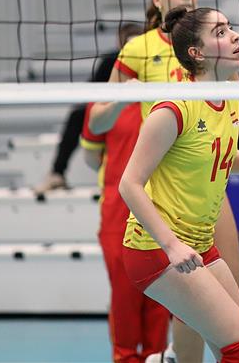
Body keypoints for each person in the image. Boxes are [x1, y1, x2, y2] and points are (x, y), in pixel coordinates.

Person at [88, 0, 239, 363]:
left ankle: (173, 356)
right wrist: (171, 245)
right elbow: (121, 170)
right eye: (222, 31)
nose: (235, 36)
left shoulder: (225, 90)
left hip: (200, 205)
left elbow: (222, 148)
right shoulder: (162, 85)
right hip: (161, 213)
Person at [79, 23, 167, 363]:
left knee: (162, 293)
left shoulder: (167, 97)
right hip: (117, 211)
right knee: (125, 294)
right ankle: (126, 357)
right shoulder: (104, 103)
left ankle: (157, 356)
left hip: (161, 207)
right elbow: (91, 155)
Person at [38, 21, 143, 195]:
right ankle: (57, 173)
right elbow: (93, 92)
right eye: (128, 44)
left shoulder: (154, 61)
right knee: (77, 115)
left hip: (144, 111)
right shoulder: (110, 61)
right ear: (120, 44)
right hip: (115, 111)